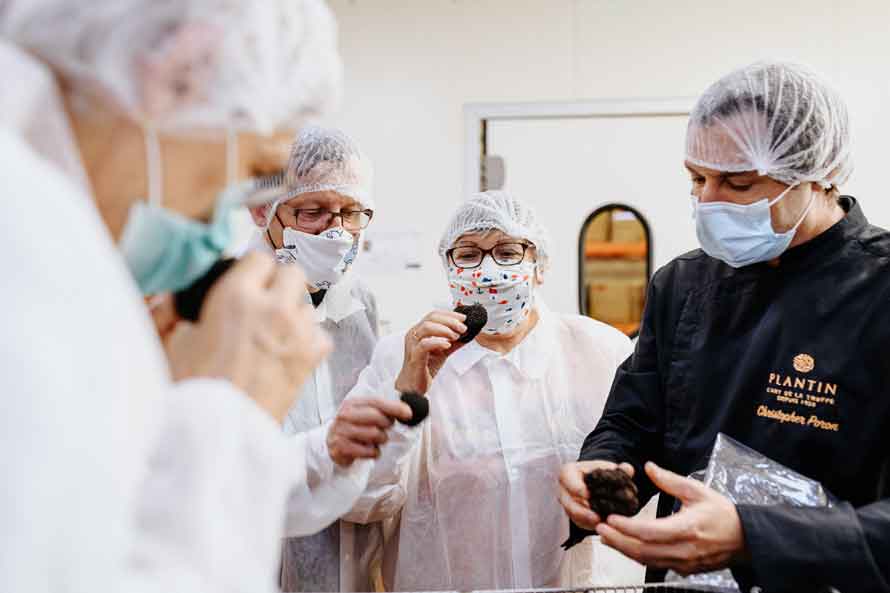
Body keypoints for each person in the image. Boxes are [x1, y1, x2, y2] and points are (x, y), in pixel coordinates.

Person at [0, 2, 411, 592]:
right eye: (258, 173)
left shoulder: (55, 246)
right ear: (179, 70)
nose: (234, 214)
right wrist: (229, 410)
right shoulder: (27, 264)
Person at [558, 61, 890, 593]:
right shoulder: (684, 284)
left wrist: (754, 536)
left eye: (738, 182)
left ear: (818, 173)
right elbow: (636, 417)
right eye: (696, 177)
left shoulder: (879, 291)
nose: (708, 201)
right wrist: (605, 467)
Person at [331, 191, 634, 591]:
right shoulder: (400, 357)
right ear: (448, 267)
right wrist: (406, 397)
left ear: (539, 265)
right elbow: (356, 499)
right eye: (469, 254)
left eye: (508, 252)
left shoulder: (600, 352)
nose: (489, 271)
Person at [245, 125, 383, 592]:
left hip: (352, 547)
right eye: (312, 212)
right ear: (263, 210)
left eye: (351, 213)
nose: (336, 230)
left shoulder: (360, 302)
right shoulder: (231, 300)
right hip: (258, 549)